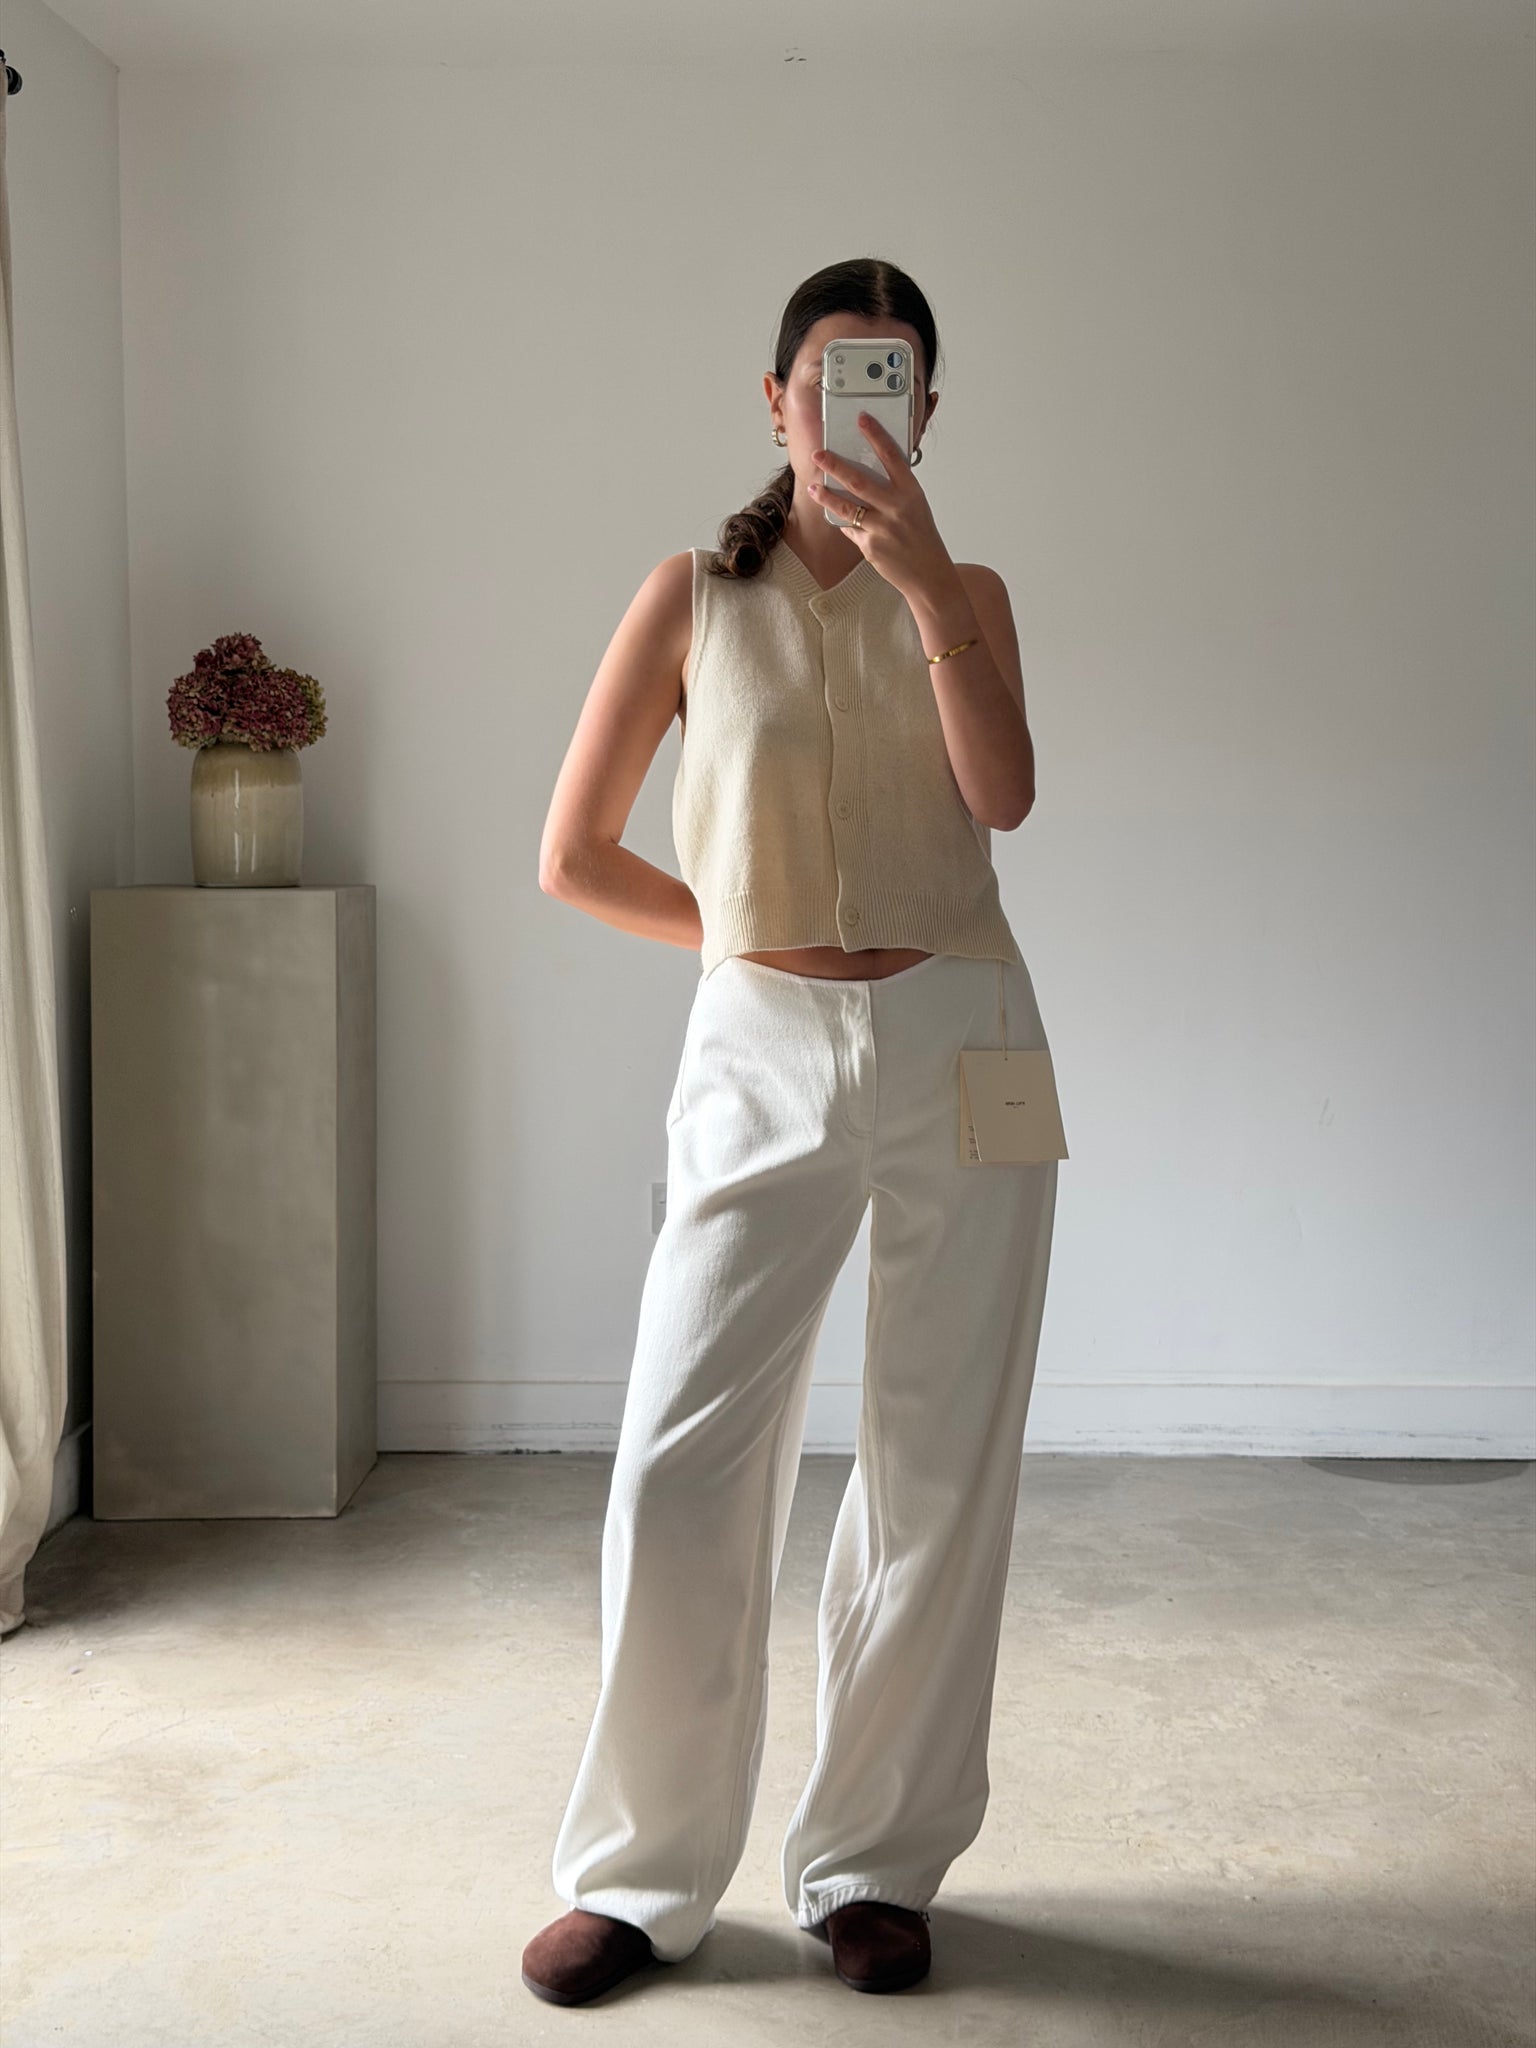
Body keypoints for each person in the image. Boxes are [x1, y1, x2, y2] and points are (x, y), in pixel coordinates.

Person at [524, 256, 1060, 2006]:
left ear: (927, 410)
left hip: (965, 1034)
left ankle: (874, 1867)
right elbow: (573, 853)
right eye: (829, 376)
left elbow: (1004, 798)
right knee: (681, 1461)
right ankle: (639, 1879)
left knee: (939, 1464)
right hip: (758, 1044)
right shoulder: (691, 596)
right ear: (776, 402)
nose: (855, 404)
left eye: (890, 378)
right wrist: (746, 934)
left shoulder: (966, 590)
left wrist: (927, 588)